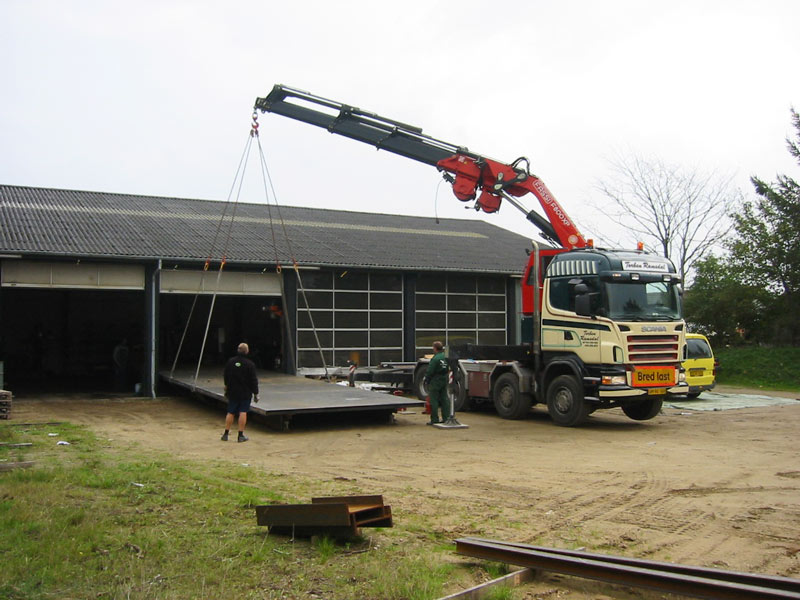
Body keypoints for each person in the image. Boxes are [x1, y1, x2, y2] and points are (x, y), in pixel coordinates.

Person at [221, 342, 259, 442]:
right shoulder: (250, 364)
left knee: (230, 411)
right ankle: (240, 435)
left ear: (238, 350)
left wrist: (226, 386)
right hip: (245, 392)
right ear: (247, 351)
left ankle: (225, 433)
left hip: (232, 391)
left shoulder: (230, 362)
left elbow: (226, 375)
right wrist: (256, 393)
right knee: (243, 411)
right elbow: (253, 380)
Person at [424, 341, 450, 425]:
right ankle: (446, 418)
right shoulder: (445, 356)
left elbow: (430, 371)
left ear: (435, 348)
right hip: (444, 378)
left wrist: (427, 379)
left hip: (436, 380)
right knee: (444, 398)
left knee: (433, 400)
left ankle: (434, 419)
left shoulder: (435, 359)